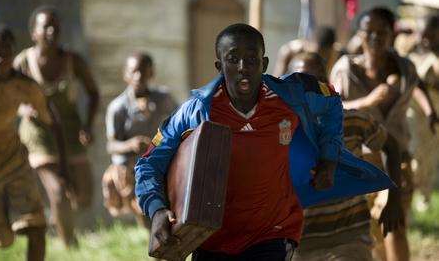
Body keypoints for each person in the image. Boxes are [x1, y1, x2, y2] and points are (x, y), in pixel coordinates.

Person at [135, 23, 392, 261]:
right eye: (232, 59)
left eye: (251, 59)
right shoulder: (196, 112)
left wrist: (328, 157)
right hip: (210, 237)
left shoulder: (291, 97)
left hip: (273, 233)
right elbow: (147, 164)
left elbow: (332, 102)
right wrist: (157, 210)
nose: (243, 67)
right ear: (219, 66)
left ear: (264, 62)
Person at [330, 7, 437, 261]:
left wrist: (429, 109)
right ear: (360, 34)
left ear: (393, 35)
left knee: (395, 227)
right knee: (366, 236)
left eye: (383, 32)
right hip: (358, 165)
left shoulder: (404, 69)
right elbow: (330, 108)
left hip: (397, 164)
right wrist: (367, 102)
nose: (376, 38)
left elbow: (418, 83)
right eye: (369, 32)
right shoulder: (345, 70)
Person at [287, 52, 404, 261]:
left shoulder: (351, 121)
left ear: (328, 85)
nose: (310, 91)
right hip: (300, 243)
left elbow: (392, 146)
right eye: (300, 83)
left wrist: (395, 198)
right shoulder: (281, 132)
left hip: (349, 239)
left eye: (317, 81)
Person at [14, 6, 100, 220]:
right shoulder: (23, 63)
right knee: (58, 192)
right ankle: (67, 246)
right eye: (46, 27)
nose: (52, 31)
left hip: (70, 131)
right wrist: (22, 109)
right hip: (38, 133)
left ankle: (59, 220)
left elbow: (93, 94)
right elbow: (7, 96)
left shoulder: (73, 61)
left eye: (56, 27)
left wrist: (88, 125)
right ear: (34, 33)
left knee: (84, 196)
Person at [0, 25, 49, 261]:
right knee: (4, 241)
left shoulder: (24, 86)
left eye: (6, 53)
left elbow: (47, 115)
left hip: (15, 164)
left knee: (36, 227)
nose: (1, 59)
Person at [103, 52, 177, 224]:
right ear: (125, 75)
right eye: (133, 72)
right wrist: (131, 144)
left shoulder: (163, 98)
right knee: (147, 209)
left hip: (159, 160)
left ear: (151, 73)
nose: (138, 77)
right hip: (132, 168)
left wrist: (157, 142)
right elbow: (111, 145)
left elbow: (179, 121)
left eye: (143, 72)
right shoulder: (118, 107)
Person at [407, 14, 439, 211]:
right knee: (413, 156)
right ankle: (414, 199)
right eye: (422, 34)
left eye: (431, 35)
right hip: (411, 114)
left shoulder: (435, 58)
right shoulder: (409, 51)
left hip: (432, 116)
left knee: (427, 159)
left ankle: (423, 199)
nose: (426, 40)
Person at [273, 26, 341, 77]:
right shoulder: (290, 51)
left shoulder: (333, 53)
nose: (318, 57)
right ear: (311, 43)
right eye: (317, 52)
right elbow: (277, 80)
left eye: (323, 54)